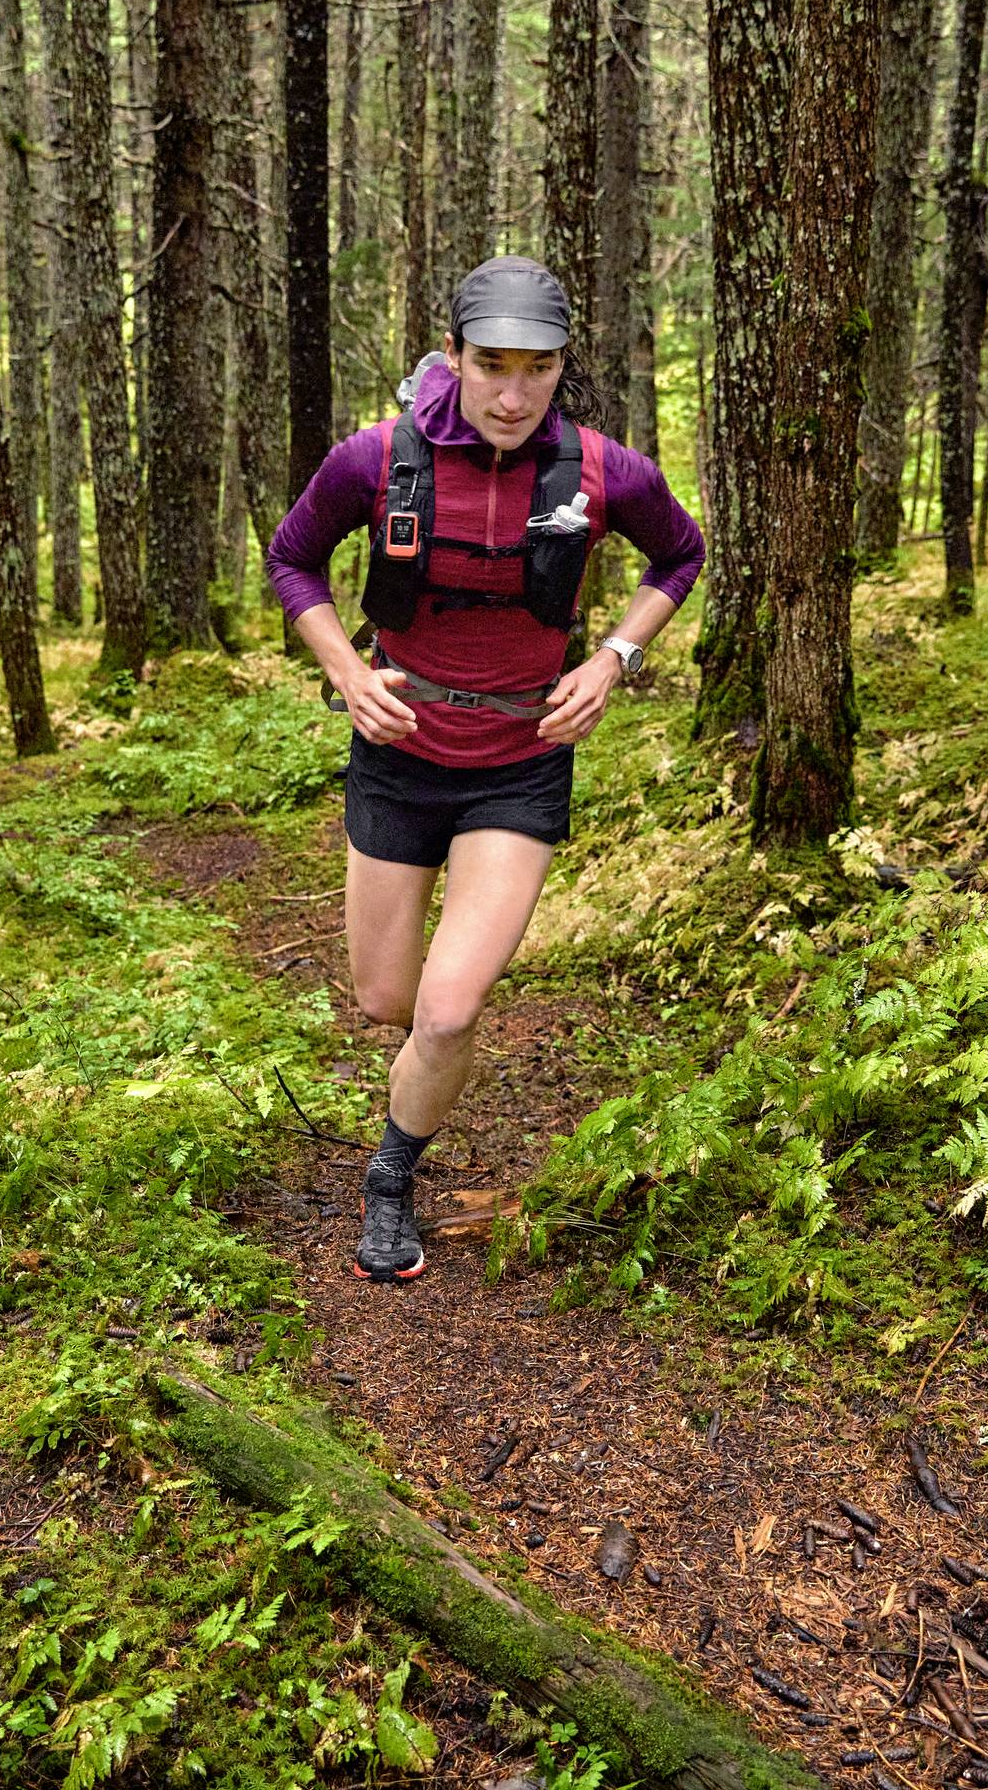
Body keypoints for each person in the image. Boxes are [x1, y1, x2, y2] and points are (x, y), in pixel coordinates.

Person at [265, 256, 704, 1283]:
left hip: (520, 760)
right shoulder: (374, 460)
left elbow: (678, 556)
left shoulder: (603, 471)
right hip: (398, 751)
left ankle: (389, 1178)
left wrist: (614, 656)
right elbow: (293, 559)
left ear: (562, 369)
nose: (513, 395)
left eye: (537, 370)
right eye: (493, 365)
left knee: (451, 1007)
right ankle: (422, 1069)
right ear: (453, 354)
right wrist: (346, 671)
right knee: (387, 1001)